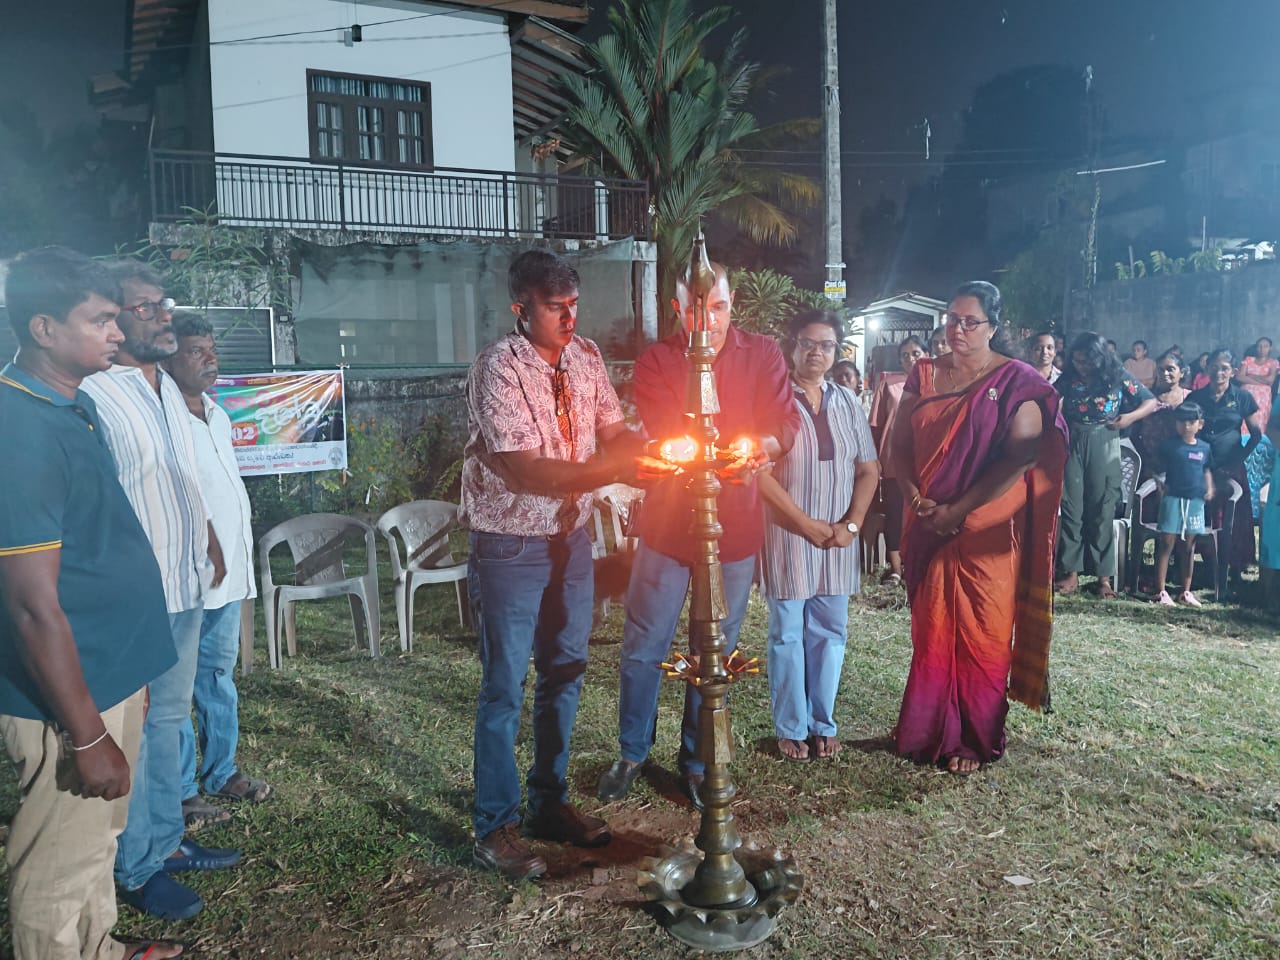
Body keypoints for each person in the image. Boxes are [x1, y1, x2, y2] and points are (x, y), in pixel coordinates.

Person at [0, 248, 185, 960]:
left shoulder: (67, 405)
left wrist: (126, 682)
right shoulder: (19, 430)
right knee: (56, 858)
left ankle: (98, 947)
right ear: (44, 328)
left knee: (95, 838)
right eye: (101, 320)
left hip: (108, 670)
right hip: (66, 694)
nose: (117, 331)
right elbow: (29, 606)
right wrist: (84, 735)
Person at [462, 250, 647, 881]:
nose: (569, 319)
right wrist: (616, 469)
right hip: (511, 541)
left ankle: (548, 802)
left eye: (574, 306)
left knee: (565, 670)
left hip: (570, 537)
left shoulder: (586, 357)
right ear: (521, 308)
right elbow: (528, 471)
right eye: (554, 308)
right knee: (505, 685)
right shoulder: (498, 368)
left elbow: (614, 432)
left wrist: (654, 451)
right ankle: (495, 825)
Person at [597, 260, 799, 810]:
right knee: (645, 643)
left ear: (733, 305)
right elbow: (672, 431)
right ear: (677, 310)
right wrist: (713, 451)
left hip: (734, 528)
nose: (707, 321)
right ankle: (632, 752)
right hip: (668, 526)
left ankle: (695, 759)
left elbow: (784, 423)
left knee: (714, 649)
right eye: (695, 310)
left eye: (719, 308)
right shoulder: (659, 360)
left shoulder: (762, 354)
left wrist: (762, 448)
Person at [80, 262, 240, 921]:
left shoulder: (168, 389)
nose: (162, 316)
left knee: (169, 720)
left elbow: (181, 477)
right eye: (144, 308)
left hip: (185, 584)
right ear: (114, 320)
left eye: (163, 304)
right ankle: (138, 865)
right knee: (138, 733)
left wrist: (209, 538)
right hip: (135, 596)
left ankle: (169, 841)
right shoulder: (96, 393)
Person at [890, 281, 1067, 773]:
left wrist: (959, 510)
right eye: (952, 320)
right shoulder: (924, 373)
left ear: (993, 326)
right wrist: (915, 499)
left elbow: (1020, 456)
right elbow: (899, 445)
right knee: (932, 629)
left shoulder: (1016, 381)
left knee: (984, 628)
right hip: (928, 517)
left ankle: (973, 737)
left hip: (987, 525)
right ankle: (927, 729)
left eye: (971, 322)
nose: (959, 329)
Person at [161, 312, 272, 831]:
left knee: (217, 677)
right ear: (167, 358)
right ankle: (182, 791)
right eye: (195, 351)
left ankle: (220, 771)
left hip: (227, 576)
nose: (210, 360)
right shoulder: (162, 419)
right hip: (184, 577)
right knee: (176, 689)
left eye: (211, 349)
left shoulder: (218, 415)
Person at [757, 310, 879, 761]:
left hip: (839, 538)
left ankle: (822, 723)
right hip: (789, 534)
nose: (816, 353)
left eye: (826, 345)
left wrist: (852, 525)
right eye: (807, 343)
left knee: (830, 632)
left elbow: (868, 469)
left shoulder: (846, 401)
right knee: (788, 633)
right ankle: (791, 726)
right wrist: (805, 524)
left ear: (836, 352)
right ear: (791, 347)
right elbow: (758, 473)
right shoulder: (772, 400)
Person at [1054, 332, 1158, 598]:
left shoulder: (1117, 375)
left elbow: (1150, 401)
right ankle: (1071, 573)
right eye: (1077, 361)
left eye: (1087, 361)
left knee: (1103, 507)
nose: (1081, 366)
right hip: (1072, 441)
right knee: (1071, 506)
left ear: (1100, 358)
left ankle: (1104, 578)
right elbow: (1049, 399)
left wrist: (1129, 418)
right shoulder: (1069, 378)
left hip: (1105, 439)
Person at [1188, 348, 1264, 585]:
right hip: (1199, 468)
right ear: (1207, 368)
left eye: (1224, 368)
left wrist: (1235, 462)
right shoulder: (1195, 397)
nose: (1218, 372)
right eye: (1214, 367)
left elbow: (1256, 434)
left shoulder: (1242, 397)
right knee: (1201, 515)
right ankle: (1203, 565)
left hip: (1230, 467)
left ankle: (1235, 568)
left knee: (1234, 519)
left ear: (1233, 371)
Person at [869, 336, 929, 584]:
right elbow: (876, 426)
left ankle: (919, 567)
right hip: (894, 461)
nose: (910, 359)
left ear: (926, 355)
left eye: (916, 353)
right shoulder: (889, 386)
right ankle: (895, 568)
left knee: (924, 514)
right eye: (905, 355)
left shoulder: (936, 384)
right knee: (895, 514)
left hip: (926, 462)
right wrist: (875, 459)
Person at [1151, 402, 1215, 606]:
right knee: (1166, 544)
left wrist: (1210, 488)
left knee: (1189, 547)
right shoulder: (1169, 446)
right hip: (1172, 499)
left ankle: (1185, 591)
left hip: (1195, 502)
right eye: (1181, 422)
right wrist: (1158, 482)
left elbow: (1206, 470)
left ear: (1200, 424)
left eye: (1191, 422)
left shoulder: (1205, 448)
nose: (1186, 426)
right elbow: (1155, 467)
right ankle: (1160, 591)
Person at [1134, 350, 1191, 478]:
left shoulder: (1190, 398)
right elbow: (1135, 431)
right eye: (1160, 370)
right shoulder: (1146, 398)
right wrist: (1144, 460)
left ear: (1181, 372)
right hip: (1151, 463)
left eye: (1170, 369)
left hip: (1182, 462)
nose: (1165, 373)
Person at [1237, 337, 1279, 434]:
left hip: (1263, 398)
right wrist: (1261, 381)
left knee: (1258, 423)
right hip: (1245, 396)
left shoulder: (1273, 362)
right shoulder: (1248, 360)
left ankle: (1256, 441)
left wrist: (1250, 376)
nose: (1262, 349)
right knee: (1242, 421)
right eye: (1259, 346)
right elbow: (1239, 377)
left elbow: (1270, 380)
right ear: (1256, 347)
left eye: (1265, 346)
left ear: (1270, 348)